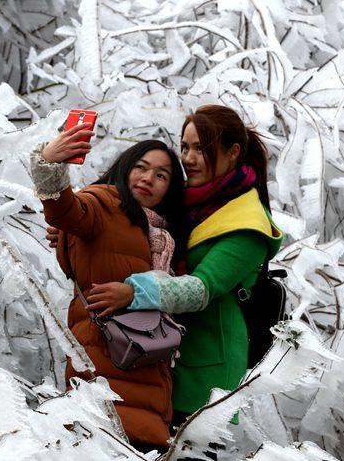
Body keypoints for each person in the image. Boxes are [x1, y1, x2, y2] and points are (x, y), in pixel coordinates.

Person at [83, 105, 284, 428]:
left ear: (232, 153)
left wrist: (133, 293)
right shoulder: (189, 201)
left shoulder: (249, 226)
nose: (188, 159)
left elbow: (201, 289)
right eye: (185, 146)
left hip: (205, 370)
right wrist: (74, 231)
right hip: (158, 357)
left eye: (201, 149)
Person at [29, 121, 187, 449]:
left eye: (161, 175)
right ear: (125, 168)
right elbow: (66, 211)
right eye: (141, 168)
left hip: (150, 374)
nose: (148, 179)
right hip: (106, 366)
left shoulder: (160, 235)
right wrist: (49, 163)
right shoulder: (104, 203)